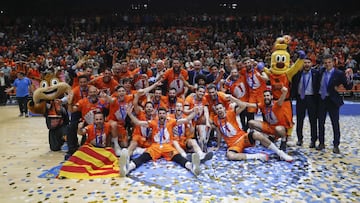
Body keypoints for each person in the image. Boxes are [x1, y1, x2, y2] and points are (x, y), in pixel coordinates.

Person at [120, 106, 201, 177]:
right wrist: (130, 114)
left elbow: (186, 119)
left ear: (166, 115)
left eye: (163, 113)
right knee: (144, 157)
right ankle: (128, 168)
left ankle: (191, 166)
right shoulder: (153, 122)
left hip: (167, 146)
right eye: (160, 113)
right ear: (158, 115)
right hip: (155, 146)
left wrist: (194, 113)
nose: (162, 115)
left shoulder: (171, 121)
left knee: (178, 157)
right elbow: (138, 122)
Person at [213, 95, 293, 162]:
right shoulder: (216, 119)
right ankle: (257, 156)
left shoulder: (230, 113)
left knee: (256, 134)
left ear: (224, 108)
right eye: (217, 109)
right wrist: (218, 145)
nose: (219, 110)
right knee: (230, 156)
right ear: (215, 111)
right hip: (233, 145)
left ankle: (280, 153)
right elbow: (219, 132)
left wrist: (232, 98)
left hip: (243, 138)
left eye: (220, 108)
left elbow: (243, 106)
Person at [317, 54, 353, 154]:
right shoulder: (320, 71)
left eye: (329, 62)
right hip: (322, 99)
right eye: (325, 63)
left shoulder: (339, 73)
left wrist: (350, 77)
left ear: (333, 62)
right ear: (323, 64)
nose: (327, 64)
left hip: (332, 101)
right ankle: (321, 143)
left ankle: (336, 145)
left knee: (335, 123)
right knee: (320, 123)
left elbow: (348, 87)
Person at [248, 87, 293, 151]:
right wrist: (235, 100)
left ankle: (283, 140)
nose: (266, 97)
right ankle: (253, 138)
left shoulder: (277, 104)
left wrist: (284, 92)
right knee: (251, 122)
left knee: (278, 129)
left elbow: (281, 99)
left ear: (272, 97)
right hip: (269, 127)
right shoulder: (262, 105)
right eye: (264, 96)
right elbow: (248, 104)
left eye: (268, 95)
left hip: (279, 128)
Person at [291, 58, 320, 147]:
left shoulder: (316, 73)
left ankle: (313, 140)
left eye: (308, 62)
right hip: (300, 99)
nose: (306, 64)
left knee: (313, 121)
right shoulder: (297, 73)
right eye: (305, 63)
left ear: (311, 63)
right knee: (299, 120)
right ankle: (300, 139)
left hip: (312, 99)